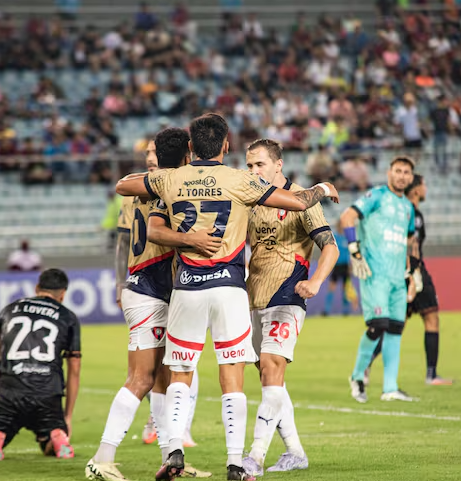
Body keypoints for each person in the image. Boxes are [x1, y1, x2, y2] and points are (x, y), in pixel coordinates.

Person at [117, 113, 338, 481]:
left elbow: (126, 187)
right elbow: (299, 203)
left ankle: (173, 448)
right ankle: (237, 462)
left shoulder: (171, 178)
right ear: (226, 145)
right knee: (233, 375)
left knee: (181, 372)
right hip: (231, 289)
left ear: (190, 147)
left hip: (186, 286)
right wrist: (322, 189)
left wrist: (187, 236)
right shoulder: (241, 181)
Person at [87, 130, 215, 481]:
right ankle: (101, 458)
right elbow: (128, 239)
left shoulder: (144, 188)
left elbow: (124, 191)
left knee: (162, 380)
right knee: (141, 378)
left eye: (152, 152)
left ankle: (170, 458)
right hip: (147, 288)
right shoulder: (175, 187)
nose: (147, 157)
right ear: (188, 154)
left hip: (154, 288)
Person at [240, 139, 339, 476]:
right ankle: (295, 451)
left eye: (260, 165)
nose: (254, 171)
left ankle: (254, 457)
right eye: (250, 165)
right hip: (255, 296)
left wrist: (315, 283)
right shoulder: (250, 199)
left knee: (271, 366)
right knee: (271, 380)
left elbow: (330, 247)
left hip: (288, 293)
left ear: (278, 164)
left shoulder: (301, 199)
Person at [0, 269, 81, 461]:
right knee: (49, 434)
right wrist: (67, 417)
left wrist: (3, 391)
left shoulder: (9, 310)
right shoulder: (68, 317)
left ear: (37, 288)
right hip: (48, 394)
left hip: (11, 391)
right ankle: (57, 438)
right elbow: (75, 369)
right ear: (63, 294)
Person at [341, 156, 418, 403]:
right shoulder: (377, 196)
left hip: (398, 278)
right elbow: (346, 217)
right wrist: (354, 248)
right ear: (389, 173)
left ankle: (390, 388)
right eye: (398, 171)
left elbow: (410, 242)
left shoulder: (408, 207)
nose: (402, 176)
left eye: (406, 172)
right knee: (378, 326)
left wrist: (413, 274)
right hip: (374, 273)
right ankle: (357, 376)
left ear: (411, 177)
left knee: (396, 329)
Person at [367, 175, 453, 385]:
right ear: (415, 190)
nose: (426, 188)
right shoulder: (411, 213)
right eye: (424, 185)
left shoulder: (402, 210)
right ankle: (431, 375)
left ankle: (364, 367)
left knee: (395, 324)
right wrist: (411, 275)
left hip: (401, 271)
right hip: (411, 272)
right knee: (428, 317)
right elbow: (407, 245)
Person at [324, 219, 353, 316]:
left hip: (345, 266)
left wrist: (350, 267)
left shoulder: (347, 238)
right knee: (331, 287)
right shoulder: (334, 237)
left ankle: (346, 310)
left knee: (345, 289)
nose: (340, 226)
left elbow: (350, 254)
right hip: (336, 265)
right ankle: (326, 310)